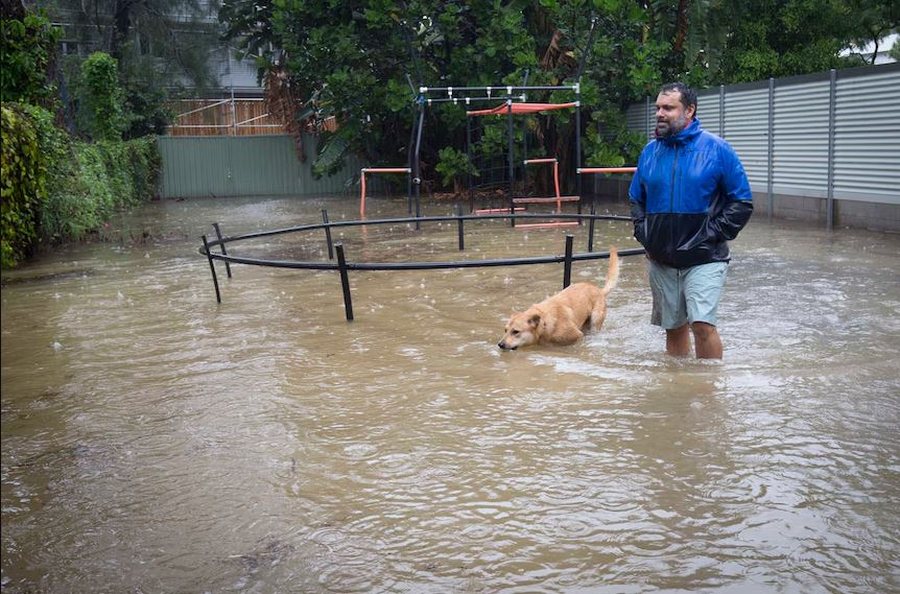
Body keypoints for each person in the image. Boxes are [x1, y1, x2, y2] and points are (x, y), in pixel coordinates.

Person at [628, 82, 753, 359]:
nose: (660, 113)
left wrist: (710, 234)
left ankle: (708, 389)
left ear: (690, 111)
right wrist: (645, 235)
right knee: (673, 327)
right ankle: (679, 390)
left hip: (705, 257)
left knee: (702, 324)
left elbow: (742, 202)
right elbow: (636, 199)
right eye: (658, 107)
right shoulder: (649, 152)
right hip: (662, 259)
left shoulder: (718, 149)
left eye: (668, 108)